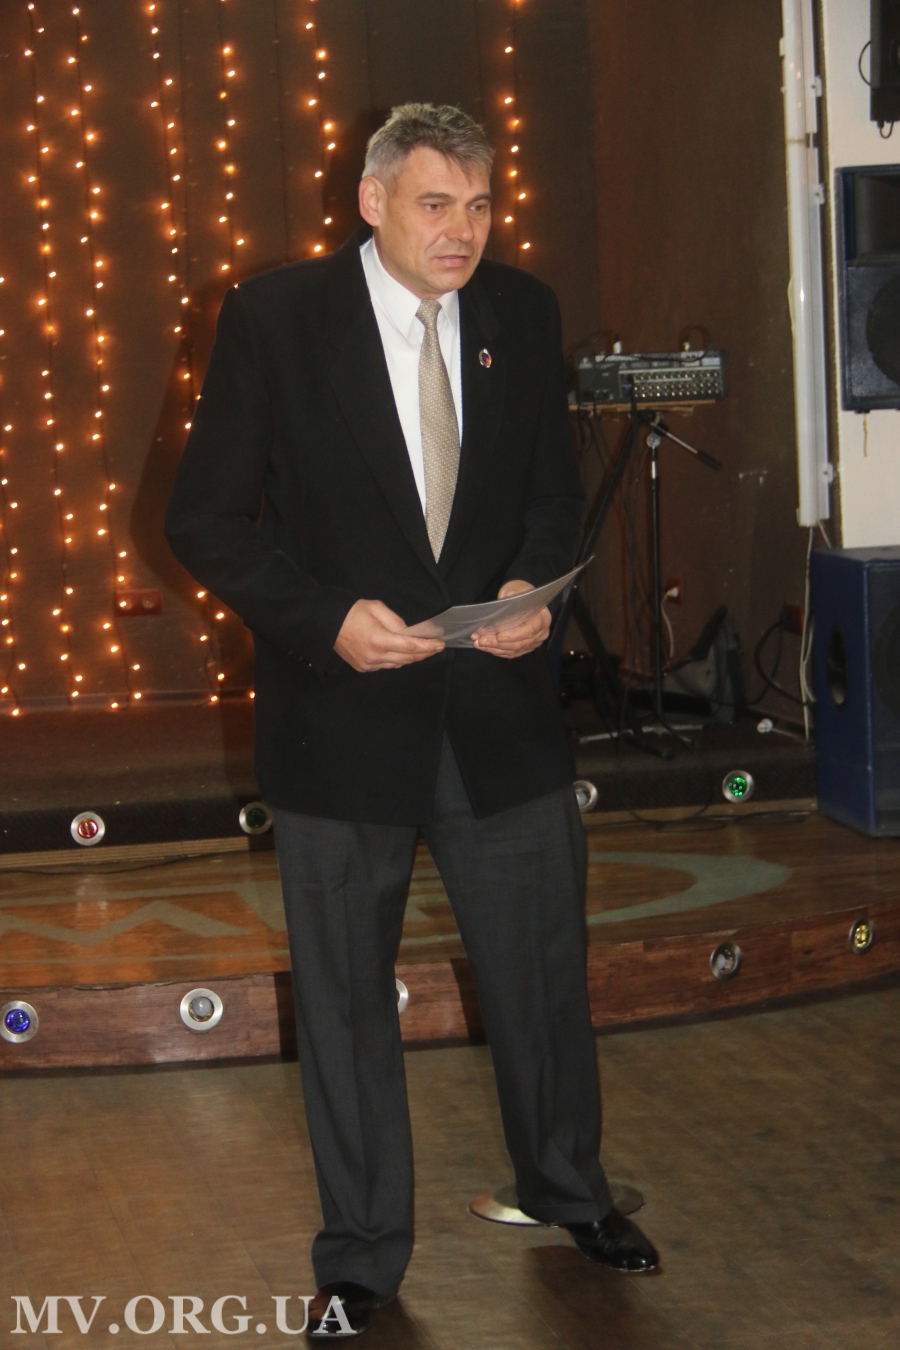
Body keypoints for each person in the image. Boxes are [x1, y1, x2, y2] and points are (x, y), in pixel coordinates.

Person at [166, 102, 658, 1339]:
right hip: (340, 722)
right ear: (372, 202)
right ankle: (362, 1259)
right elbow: (205, 521)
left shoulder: (523, 313)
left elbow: (550, 499)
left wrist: (533, 590)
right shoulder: (275, 319)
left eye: (481, 206)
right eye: (437, 204)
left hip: (503, 719)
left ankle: (571, 1190)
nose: (463, 231)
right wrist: (324, 618)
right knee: (343, 1005)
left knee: (543, 980)